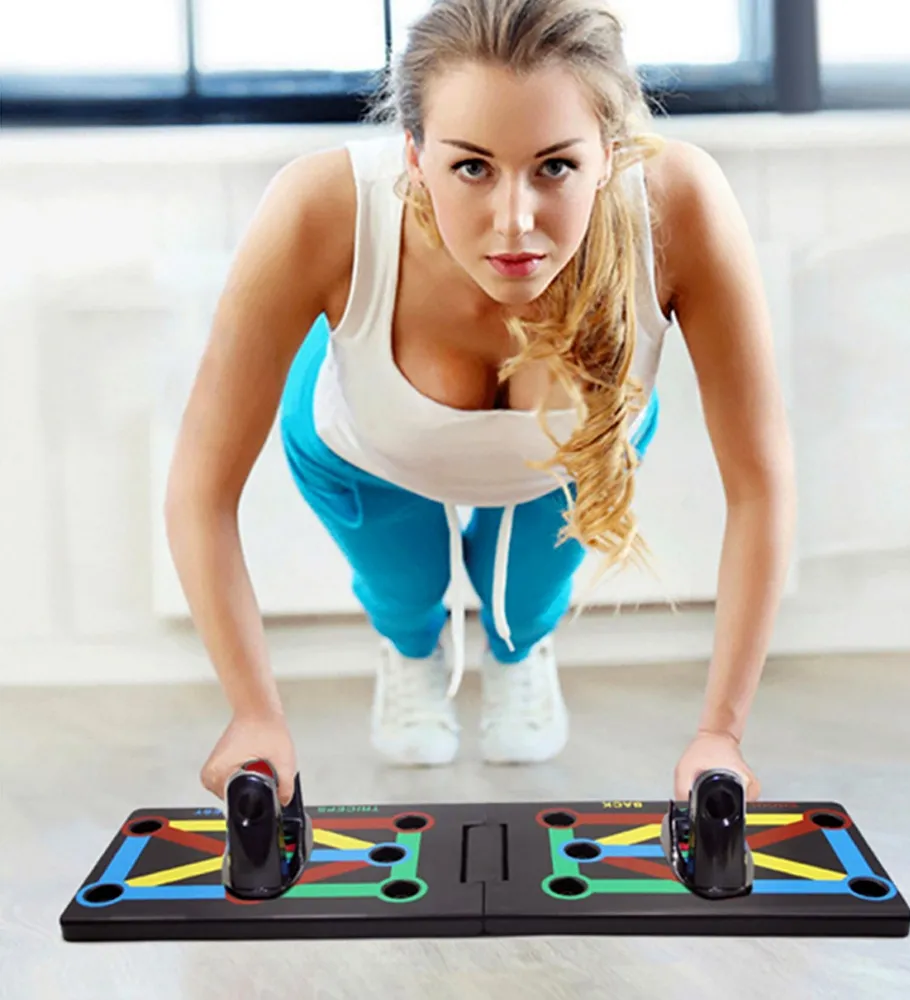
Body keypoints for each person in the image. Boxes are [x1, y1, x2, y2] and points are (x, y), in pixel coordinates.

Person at [165, 0, 795, 809]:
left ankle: (517, 650)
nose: (515, 221)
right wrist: (254, 714)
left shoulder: (679, 204)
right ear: (415, 154)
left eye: (555, 167)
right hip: (362, 445)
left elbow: (760, 485)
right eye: (471, 167)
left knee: (520, 610)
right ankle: (411, 648)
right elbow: (199, 490)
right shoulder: (320, 205)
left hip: (576, 448)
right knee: (407, 591)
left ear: (608, 153)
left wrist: (722, 732)